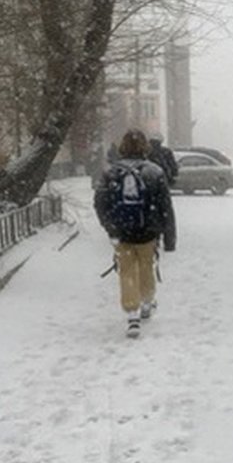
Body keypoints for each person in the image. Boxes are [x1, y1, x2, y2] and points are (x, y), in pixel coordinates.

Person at [94, 129, 177, 338]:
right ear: (145, 147)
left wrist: (109, 226)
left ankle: (132, 314)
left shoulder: (111, 172)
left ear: (122, 147)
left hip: (122, 232)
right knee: (147, 266)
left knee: (127, 272)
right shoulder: (154, 172)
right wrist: (169, 238)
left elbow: (100, 203)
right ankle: (147, 302)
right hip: (147, 231)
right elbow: (165, 206)